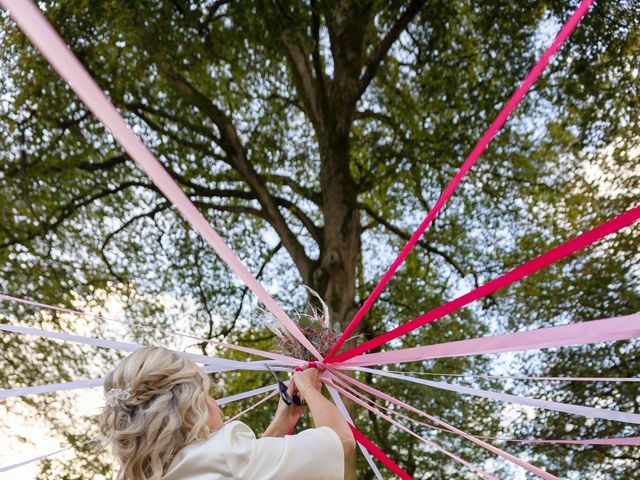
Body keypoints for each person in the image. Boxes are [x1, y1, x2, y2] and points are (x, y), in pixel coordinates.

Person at [100, 346, 355, 479]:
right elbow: (341, 440)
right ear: (190, 402)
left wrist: (281, 423)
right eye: (207, 392)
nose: (215, 402)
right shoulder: (223, 455)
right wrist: (307, 387)